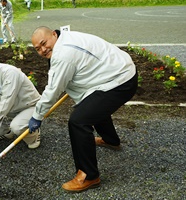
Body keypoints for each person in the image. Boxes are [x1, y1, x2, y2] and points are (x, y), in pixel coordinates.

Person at [28, 26, 138, 192]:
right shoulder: (64, 38)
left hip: (120, 79)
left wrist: (37, 115)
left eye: (44, 43)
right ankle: (111, 140)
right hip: (114, 70)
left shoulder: (64, 54)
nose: (43, 50)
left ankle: (89, 176)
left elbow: (53, 90)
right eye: (38, 49)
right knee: (91, 105)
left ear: (53, 34)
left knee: (78, 121)